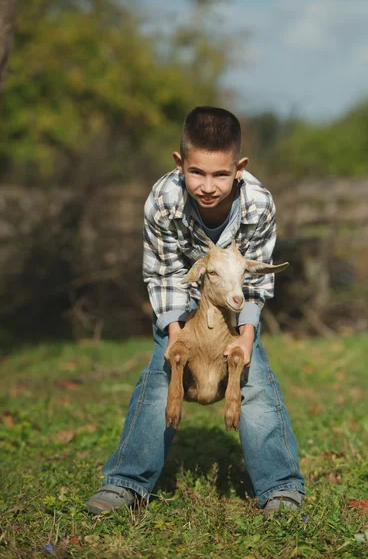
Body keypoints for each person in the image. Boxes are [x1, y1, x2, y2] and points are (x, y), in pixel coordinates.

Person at [86, 106, 305, 516]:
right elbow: (164, 273)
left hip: (234, 295)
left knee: (253, 381)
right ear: (180, 163)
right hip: (182, 295)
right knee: (160, 377)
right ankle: (127, 482)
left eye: (221, 174)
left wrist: (245, 335)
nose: (208, 185)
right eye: (197, 172)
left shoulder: (258, 205)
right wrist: (176, 336)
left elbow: (256, 283)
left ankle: (281, 488)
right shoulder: (164, 200)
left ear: (239, 168)